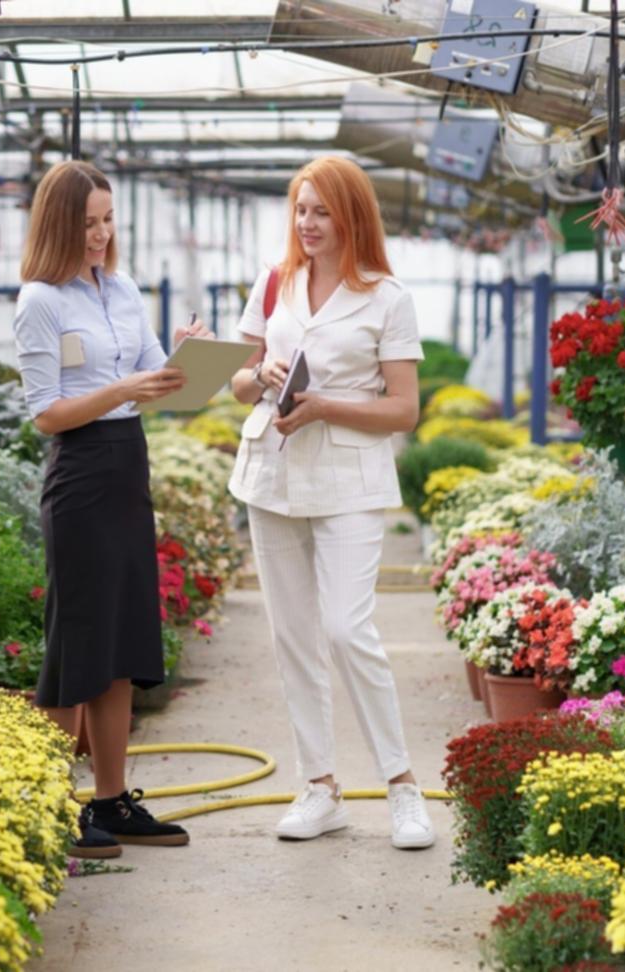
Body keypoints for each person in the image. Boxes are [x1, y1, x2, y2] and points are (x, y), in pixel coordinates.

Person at [227, 156, 435, 850]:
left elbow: (403, 410)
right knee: (293, 637)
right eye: (299, 209)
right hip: (272, 473)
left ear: (351, 216)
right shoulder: (274, 282)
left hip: (348, 479)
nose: (307, 224)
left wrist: (323, 408)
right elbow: (237, 381)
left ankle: (403, 788)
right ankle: (319, 788)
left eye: (320, 211)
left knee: (348, 630)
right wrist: (262, 373)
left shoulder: (387, 297)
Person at [14, 160, 208, 858]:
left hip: (129, 466)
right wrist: (124, 386)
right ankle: (51, 808)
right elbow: (47, 413)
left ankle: (110, 800)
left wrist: (190, 355)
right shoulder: (40, 299)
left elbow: (159, 374)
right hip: (81, 471)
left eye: (107, 220)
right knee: (77, 645)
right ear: (60, 224)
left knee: (123, 641)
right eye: (87, 223)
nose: (100, 235)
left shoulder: (121, 287)